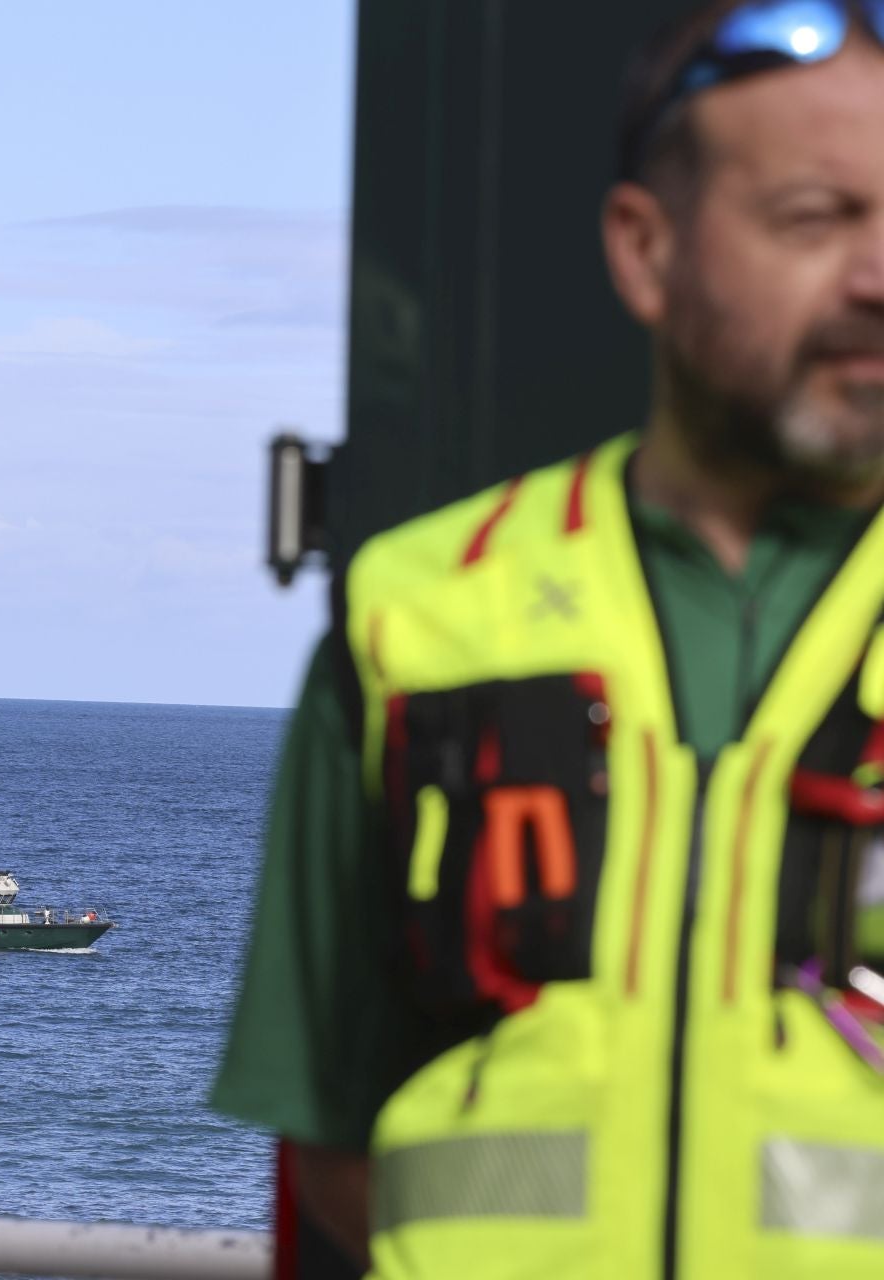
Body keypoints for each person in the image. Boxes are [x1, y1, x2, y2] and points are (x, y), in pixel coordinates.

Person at [213, 3, 884, 1277]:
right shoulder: (416, 617)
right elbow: (334, 1141)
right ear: (645, 250)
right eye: (816, 218)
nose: (878, 273)